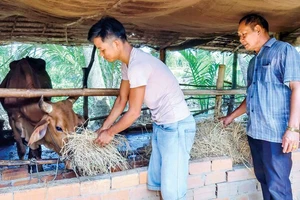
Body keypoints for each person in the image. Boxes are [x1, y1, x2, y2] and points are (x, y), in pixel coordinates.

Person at [88, 16, 196, 200]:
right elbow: (122, 99)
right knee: (162, 184)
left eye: (101, 49)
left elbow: (134, 112)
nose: (101, 54)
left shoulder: (138, 65)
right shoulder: (128, 63)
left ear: (116, 44)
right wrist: (104, 127)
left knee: (173, 192)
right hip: (163, 126)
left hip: (176, 127)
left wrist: (110, 132)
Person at [220, 14, 300, 200]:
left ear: (258, 29)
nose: (241, 39)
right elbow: (252, 98)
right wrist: (231, 116)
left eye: (243, 34)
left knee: (277, 187)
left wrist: (294, 129)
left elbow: (298, 88)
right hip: (255, 132)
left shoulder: (283, 51)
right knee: (264, 180)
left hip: (275, 134)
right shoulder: (253, 62)